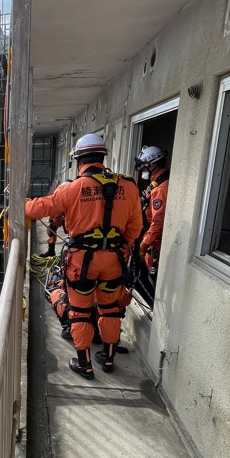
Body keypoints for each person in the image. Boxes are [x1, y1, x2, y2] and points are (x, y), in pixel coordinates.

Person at [26, 133, 143, 379]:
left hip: (82, 262)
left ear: (79, 161)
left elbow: (39, 208)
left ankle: (85, 364)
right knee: (109, 309)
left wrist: (20, 204)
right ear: (102, 157)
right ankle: (108, 359)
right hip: (114, 260)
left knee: (79, 312)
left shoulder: (73, 189)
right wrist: (120, 247)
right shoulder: (129, 186)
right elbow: (135, 229)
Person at [136, 145, 170, 278]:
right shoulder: (157, 183)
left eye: (144, 167)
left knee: (152, 275)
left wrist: (144, 244)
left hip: (155, 241)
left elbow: (158, 222)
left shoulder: (160, 189)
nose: (143, 171)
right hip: (152, 237)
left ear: (153, 165)